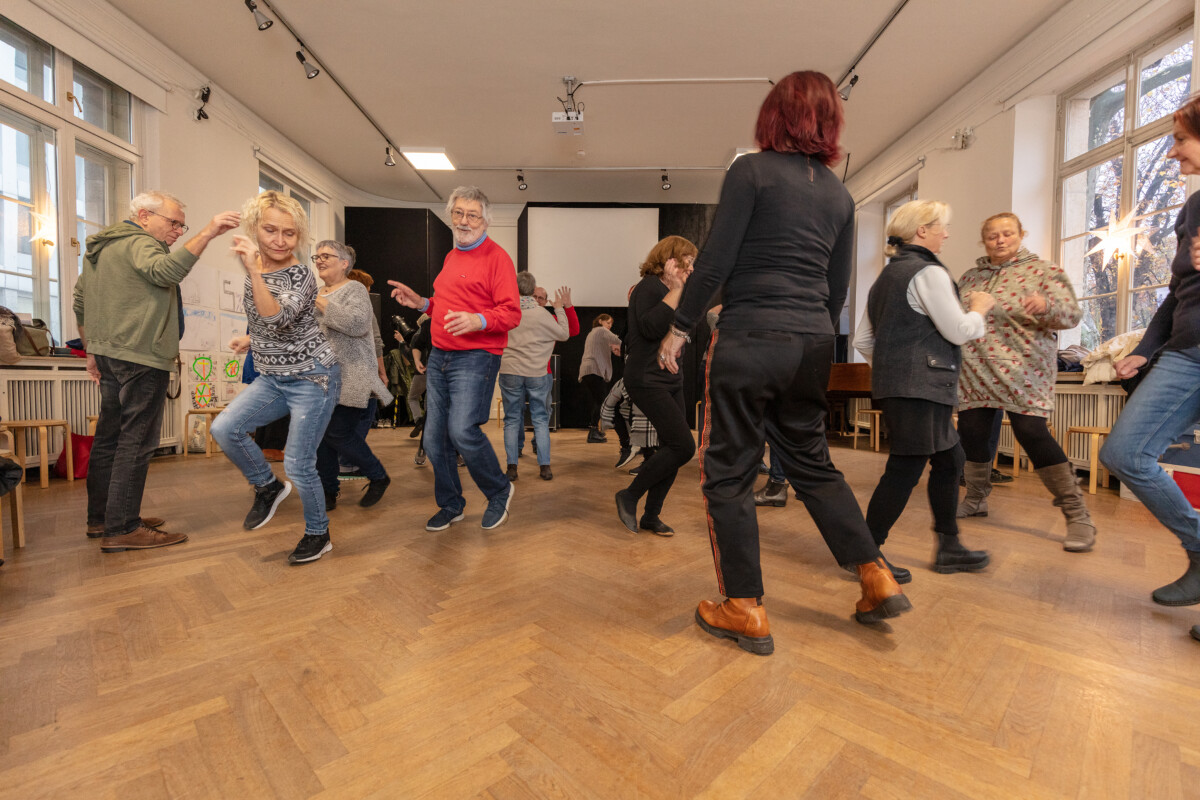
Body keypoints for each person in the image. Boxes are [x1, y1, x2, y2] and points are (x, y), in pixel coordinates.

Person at [660, 71, 912, 655]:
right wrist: (809, 330)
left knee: (727, 469)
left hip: (750, 335)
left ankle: (743, 606)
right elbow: (835, 288)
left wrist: (679, 327)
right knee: (812, 462)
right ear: (829, 123)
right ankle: (872, 573)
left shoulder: (749, 170)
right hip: (812, 342)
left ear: (774, 116)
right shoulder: (841, 196)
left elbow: (715, 263)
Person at [74, 190, 240, 551]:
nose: (179, 230)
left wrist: (91, 351)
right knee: (137, 441)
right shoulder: (140, 242)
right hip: (141, 355)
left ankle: (103, 518)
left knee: (110, 439)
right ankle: (123, 528)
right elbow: (165, 272)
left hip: (109, 354)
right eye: (174, 222)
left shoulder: (101, 249)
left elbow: (80, 300)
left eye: (184, 225)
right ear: (145, 216)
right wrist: (209, 232)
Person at [1101, 95, 1200, 639]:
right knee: (1123, 454)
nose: (1171, 153)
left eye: (1181, 139)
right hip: (1185, 354)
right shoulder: (1193, 208)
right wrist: (1147, 347)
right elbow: (1176, 294)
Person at [853, 200, 993, 580]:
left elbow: (864, 339)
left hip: (908, 386)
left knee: (950, 460)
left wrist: (894, 369)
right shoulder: (928, 272)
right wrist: (979, 308)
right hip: (923, 386)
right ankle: (865, 555)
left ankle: (949, 546)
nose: (946, 234)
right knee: (905, 469)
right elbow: (959, 331)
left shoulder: (886, 277)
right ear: (922, 231)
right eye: (941, 227)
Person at [210, 191, 341, 565]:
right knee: (224, 429)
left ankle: (319, 534)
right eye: (270, 231)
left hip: (313, 378)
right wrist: (250, 339)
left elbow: (276, 318)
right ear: (255, 229)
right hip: (273, 377)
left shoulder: (299, 274)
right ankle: (268, 487)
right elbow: (274, 324)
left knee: (299, 463)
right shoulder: (261, 268)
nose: (280, 241)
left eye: (289, 233)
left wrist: (253, 270)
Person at [956, 212, 1096, 551]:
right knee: (972, 432)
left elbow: (1072, 314)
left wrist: (1046, 305)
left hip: (1025, 368)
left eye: (1007, 233)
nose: (1000, 240)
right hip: (976, 367)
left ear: (1021, 235)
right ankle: (976, 498)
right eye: (992, 235)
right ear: (983, 240)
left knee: (1031, 433)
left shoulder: (1045, 272)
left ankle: (1077, 515)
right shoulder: (970, 277)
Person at [388, 186, 520, 531]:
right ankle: (451, 504)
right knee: (433, 439)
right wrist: (421, 304)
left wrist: (478, 320)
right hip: (440, 356)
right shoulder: (452, 257)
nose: (464, 221)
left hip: (476, 356)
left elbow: (511, 313)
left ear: (485, 219)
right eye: (458, 213)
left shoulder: (498, 258)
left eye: (472, 214)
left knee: (462, 430)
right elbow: (443, 305)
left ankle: (499, 489)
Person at [614, 236, 699, 537]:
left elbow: (683, 333)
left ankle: (651, 515)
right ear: (669, 260)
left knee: (673, 449)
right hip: (646, 378)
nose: (691, 267)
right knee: (683, 446)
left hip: (671, 379)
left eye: (692, 262)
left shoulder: (678, 293)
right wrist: (676, 289)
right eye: (686, 261)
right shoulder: (648, 287)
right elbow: (650, 328)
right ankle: (630, 494)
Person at [312, 241, 393, 509]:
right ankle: (327, 492)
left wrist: (321, 303)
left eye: (326, 256)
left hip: (352, 374)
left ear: (344, 263)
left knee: (337, 432)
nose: (320, 260)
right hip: (323, 376)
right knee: (323, 436)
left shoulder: (355, 289)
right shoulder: (319, 292)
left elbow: (358, 325)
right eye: (317, 256)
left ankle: (378, 475)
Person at [499, 274, 569, 481]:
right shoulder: (541, 314)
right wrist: (558, 309)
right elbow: (564, 334)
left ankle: (512, 467)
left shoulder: (506, 312)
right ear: (532, 291)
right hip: (537, 372)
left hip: (509, 370)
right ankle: (544, 467)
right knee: (540, 419)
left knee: (512, 419)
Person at [578, 314, 622, 442]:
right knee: (602, 402)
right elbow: (618, 341)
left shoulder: (594, 333)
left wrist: (613, 348)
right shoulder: (601, 331)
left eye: (611, 324)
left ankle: (595, 430)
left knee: (599, 401)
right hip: (593, 370)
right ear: (600, 321)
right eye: (608, 323)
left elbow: (608, 346)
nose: (609, 326)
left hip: (589, 371)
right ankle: (593, 432)